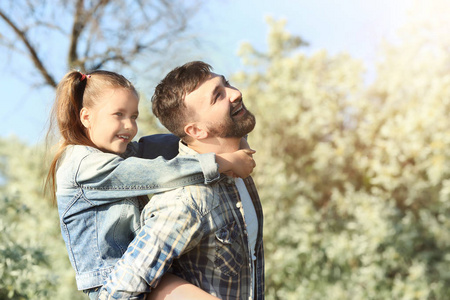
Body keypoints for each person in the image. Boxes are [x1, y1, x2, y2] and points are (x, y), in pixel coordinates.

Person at [45, 70, 256, 299]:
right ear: (86, 117)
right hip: (110, 277)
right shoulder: (83, 167)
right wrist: (222, 161)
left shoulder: (113, 152)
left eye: (133, 117)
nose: (129, 126)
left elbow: (152, 146)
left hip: (147, 269)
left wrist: (221, 134)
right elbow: (158, 172)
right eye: (118, 114)